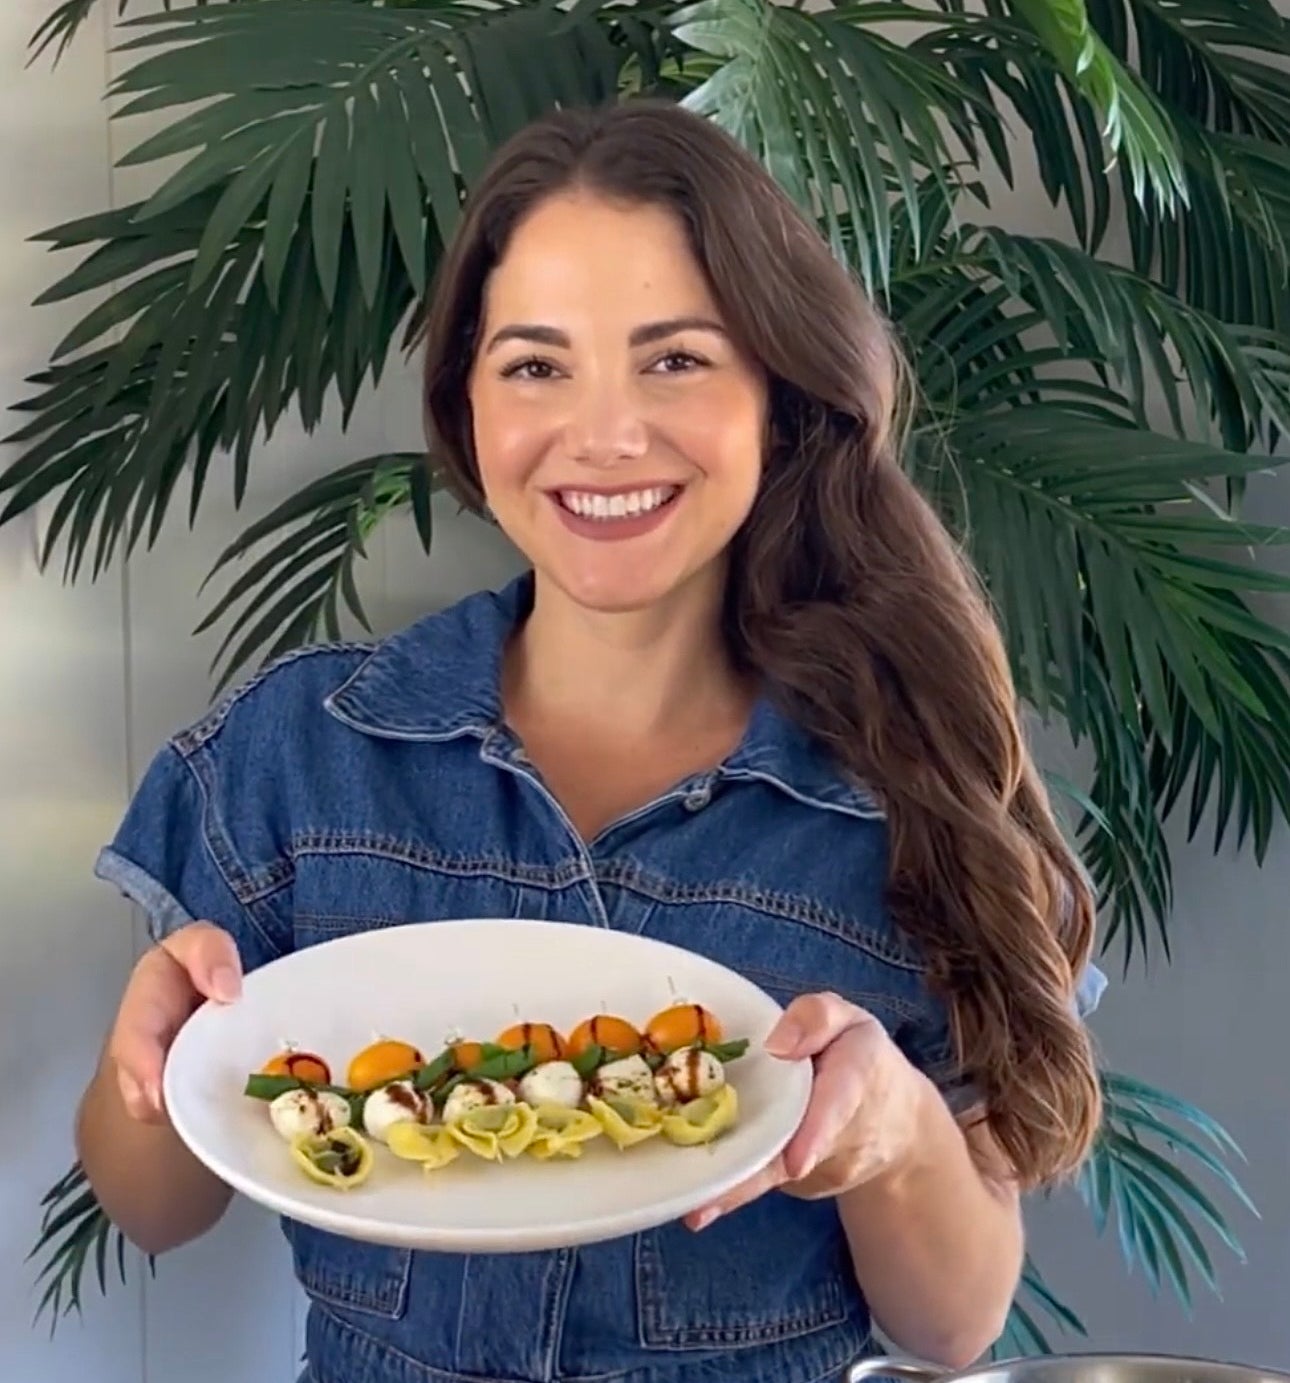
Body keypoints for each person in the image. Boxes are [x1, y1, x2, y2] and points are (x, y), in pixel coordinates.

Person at [76, 100, 1107, 1383]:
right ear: (466, 405)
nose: (605, 433)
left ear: (777, 395)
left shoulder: (917, 792)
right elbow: (156, 1208)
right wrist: (157, 1070)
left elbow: (954, 1327)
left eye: (674, 359)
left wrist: (894, 1131)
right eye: (535, 365)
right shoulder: (302, 749)